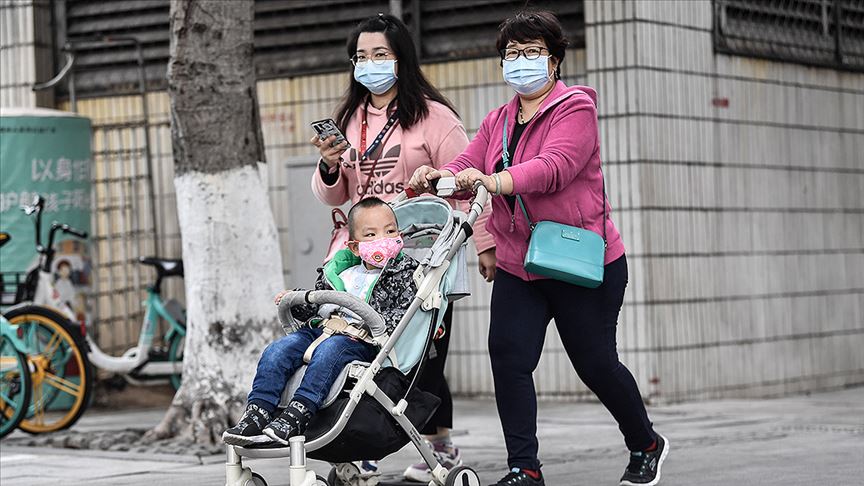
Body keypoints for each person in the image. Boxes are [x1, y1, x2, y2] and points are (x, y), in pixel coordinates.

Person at [408, 10, 670, 486]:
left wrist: (494, 181)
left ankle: (646, 442)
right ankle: (524, 469)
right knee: (508, 358)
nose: (520, 61)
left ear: (554, 60)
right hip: (518, 265)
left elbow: (555, 167)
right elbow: (468, 163)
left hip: (579, 260)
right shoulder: (498, 120)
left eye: (531, 52)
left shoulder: (576, 109)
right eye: (511, 54)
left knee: (595, 364)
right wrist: (438, 177)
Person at [309, 13, 495, 483]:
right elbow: (336, 195)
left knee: (420, 354)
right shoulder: (349, 120)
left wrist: (486, 244)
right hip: (359, 260)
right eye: (361, 57)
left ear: (401, 59)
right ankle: (364, 437)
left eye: (380, 55)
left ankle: (441, 446)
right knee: (359, 350)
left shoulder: (434, 116)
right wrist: (330, 167)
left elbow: (468, 181)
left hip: (421, 257)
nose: (369, 65)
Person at [222, 197, 419, 447]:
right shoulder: (340, 273)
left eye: (390, 231)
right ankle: (258, 410)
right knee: (277, 350)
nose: (384, 239)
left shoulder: (404, 274)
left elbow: (402, 314)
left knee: (329, 352)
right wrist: (297, 299)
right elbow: (316, 305)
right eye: (372, 234)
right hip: (322, 329)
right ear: (355, 248)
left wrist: (377, 321)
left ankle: (299, 412)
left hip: (361, 338)